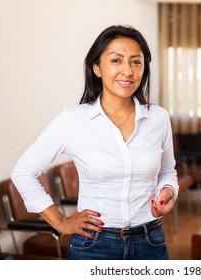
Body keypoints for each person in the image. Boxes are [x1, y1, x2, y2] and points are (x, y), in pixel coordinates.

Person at [11, 25, 179, 260]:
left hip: (149, 242)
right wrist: (60, 222)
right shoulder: (72, 119)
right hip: (94, 245)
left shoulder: (158, 118)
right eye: (116, 60)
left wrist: (168, 191)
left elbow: (167, 171)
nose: (127, 71)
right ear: (97, 68)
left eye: (136, 62)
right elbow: (23, 171)